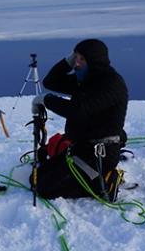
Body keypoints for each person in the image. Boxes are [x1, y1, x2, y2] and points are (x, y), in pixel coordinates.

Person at [31, 39, 128, 200]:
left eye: (81, 59)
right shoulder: (85, 80)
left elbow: (77, 110)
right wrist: (69, 60)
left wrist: (46, 100)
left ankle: (104, 183)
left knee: (44, 189)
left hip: (100, 154)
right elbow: (51, 81)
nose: (77, 63)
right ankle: (93, 178)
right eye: (76, 58)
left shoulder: (110, 83)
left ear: (94, 60)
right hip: (81, 149)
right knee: (36, 177)